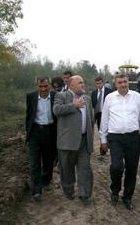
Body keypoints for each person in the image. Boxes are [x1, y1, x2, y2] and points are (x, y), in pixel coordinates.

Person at [99, 73, 140, 210]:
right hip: (115, 138)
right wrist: (103, 140)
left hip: (133, 138)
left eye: (125, 82)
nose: (123, 84)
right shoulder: (109, 98)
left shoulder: (137, 97)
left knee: (131, 169)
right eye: (120, 82)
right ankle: (115, 190)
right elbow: (104, 120)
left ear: (128, 82)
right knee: (116, 167)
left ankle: (127, 197)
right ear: (115, 84)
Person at [53, 75, 94, 205]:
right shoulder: (62, 96)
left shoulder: (87, 99)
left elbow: (91, 119)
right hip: (67, 141)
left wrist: (90, 135)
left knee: (85, 168)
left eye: (83, 82)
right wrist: (73, 105)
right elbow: (56, 110)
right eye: (80, 82)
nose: (83, 84)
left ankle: (84, 194)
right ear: (72, 85)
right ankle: (69, 190)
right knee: (67, 169)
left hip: (84, 140)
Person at [25, 76, 57, 201]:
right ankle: (36, 190)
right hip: (35, 133)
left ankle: (46, 180)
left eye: (45, 86)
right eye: (40, 86)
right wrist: (28, 132)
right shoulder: (31, 96)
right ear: (37, 85)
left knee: (48, 160)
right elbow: (29, 115)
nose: (43, 89)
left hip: (50, 131)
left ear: (49, 85)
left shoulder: (56, 96)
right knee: (34, 162)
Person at [91, 76, 113, 156]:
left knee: (108, 131)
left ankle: (108, 146)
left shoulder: (109, 92)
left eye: (100, 83)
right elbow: (92, 105)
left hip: (108, 115)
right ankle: (103, 149)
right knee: (101, 131)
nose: (98, 85)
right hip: (98, 115)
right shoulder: (94, 93)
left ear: (103, 83)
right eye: (97, 84)